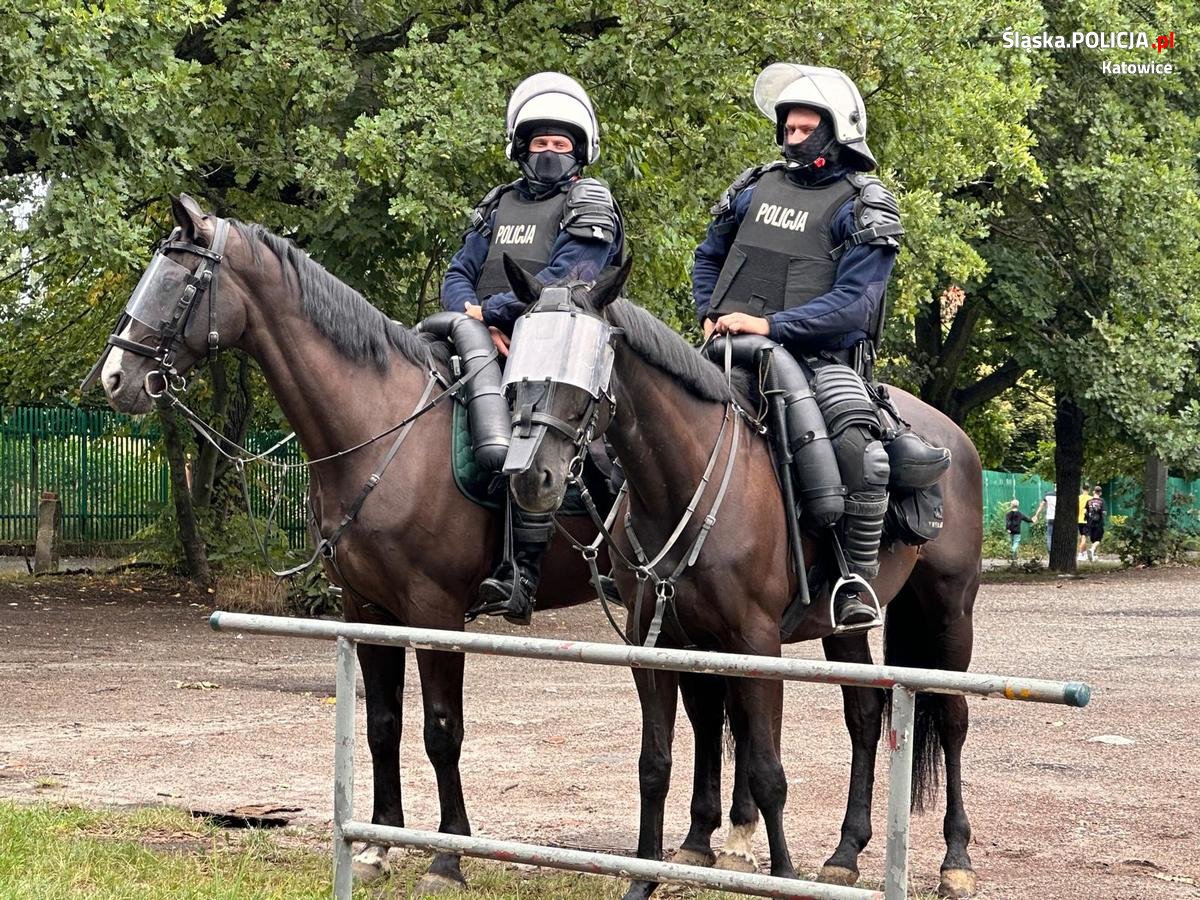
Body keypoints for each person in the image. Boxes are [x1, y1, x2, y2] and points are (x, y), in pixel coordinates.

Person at [691, 63, 947, 632]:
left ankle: (853, 581)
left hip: (822, 362)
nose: (792, 138)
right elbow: (708, 256)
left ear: (837, 131)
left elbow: (855, 305)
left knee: (859, 447)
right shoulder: (753, 187)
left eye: (805, 129)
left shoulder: (864, 202)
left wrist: (769, 326)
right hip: (727, 347)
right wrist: (709, 311)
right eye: (788, 128)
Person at [441, 72, 625, 625]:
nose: (548, 152)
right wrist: (468, 316)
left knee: (556, 441)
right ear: (521, 147)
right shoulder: (497, 204)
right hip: (481, 339)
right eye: (539, 142)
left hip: (560, 344)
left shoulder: (590, 201)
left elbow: (571, 275)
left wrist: (495, 315)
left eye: (559, 143)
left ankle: (529, 572)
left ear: (579, 150)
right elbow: (459, 271)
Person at [1005, 499, 1034, 563]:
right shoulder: (1020, 514)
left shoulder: (1008, 514)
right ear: (1018, 505)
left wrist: (1007, 529)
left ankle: (1014, 557)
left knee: (1012, 543)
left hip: (1010, 530)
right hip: (1017, 531)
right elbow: (1027, 519)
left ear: (1011, 505)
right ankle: (1012, 552)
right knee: (1016, 543)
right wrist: (1033, 520)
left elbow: (1007, 522)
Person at [1084, 485, 1106, 561]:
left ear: (1094, 492)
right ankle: (1092, 550)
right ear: (1100, 493)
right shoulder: (1102, 501)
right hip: (1098, 523)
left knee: (1093, 540)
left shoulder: (1088, 501)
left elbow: (1085, 512)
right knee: (1098, 540)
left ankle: (1093, 556)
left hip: (1090, 523)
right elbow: (1103, 512)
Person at [1032, 486, 1056, 553]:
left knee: (1049, 535)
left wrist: (1036, 515)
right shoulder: (1064, 495)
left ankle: (1050, 550)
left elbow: (1041, 505)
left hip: (1050, 517)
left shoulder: (1048, 495)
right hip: (1059, 519)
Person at [1077, 485, 1093, 559]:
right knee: (1084, 538)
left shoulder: (1078, 498)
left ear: (1082, 489)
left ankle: (1085, 553)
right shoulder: (1091, 498)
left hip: (1079, 520)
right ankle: (1080, 554)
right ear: (1089, 490)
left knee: (1083, 537)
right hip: (1087, 520)